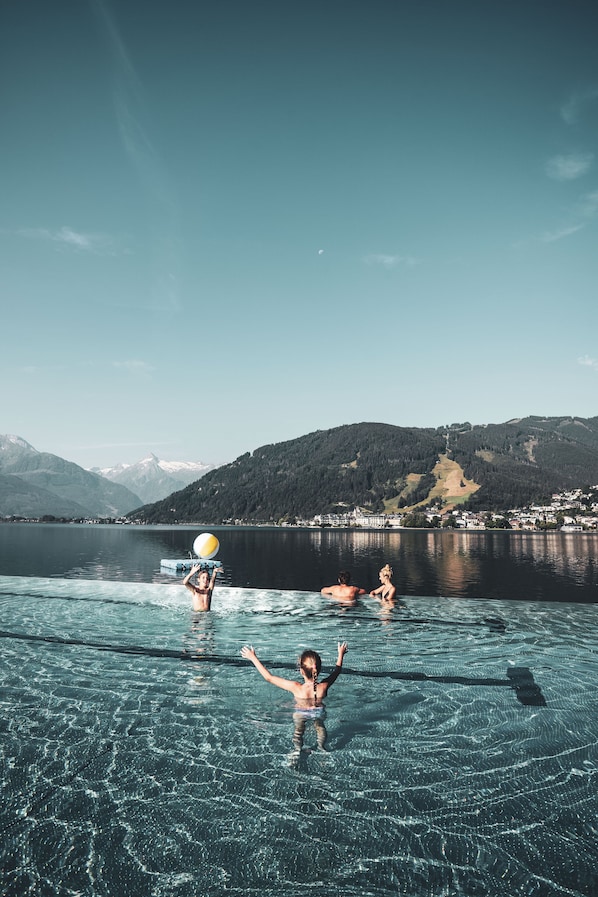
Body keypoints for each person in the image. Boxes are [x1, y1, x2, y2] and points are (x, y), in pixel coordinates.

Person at [240, 642, 348, 753]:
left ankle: (297, 750)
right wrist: (340, 654)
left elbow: (269, 678)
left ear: (301, 671)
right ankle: (321, 747)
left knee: (298, 731)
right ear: (318, 670)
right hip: (318, 711)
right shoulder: (323, 686)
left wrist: (252, 657)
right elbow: (337, 671)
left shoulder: (296, 687)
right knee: (320, 728)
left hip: (300, 712)